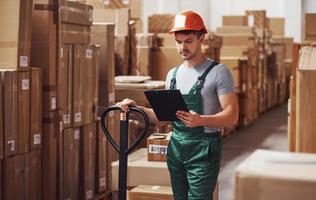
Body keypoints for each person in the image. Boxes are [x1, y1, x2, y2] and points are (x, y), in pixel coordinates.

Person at [116, 10, 238, 200]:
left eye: (188, 41)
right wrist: (136, 109)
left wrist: (201, 120)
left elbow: (232, 115)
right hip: (176, 147)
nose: (183, 47)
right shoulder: (172, 75)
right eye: (179, 42)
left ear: (201, 38)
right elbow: (163, 116)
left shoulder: (218, 72)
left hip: (204, 149)